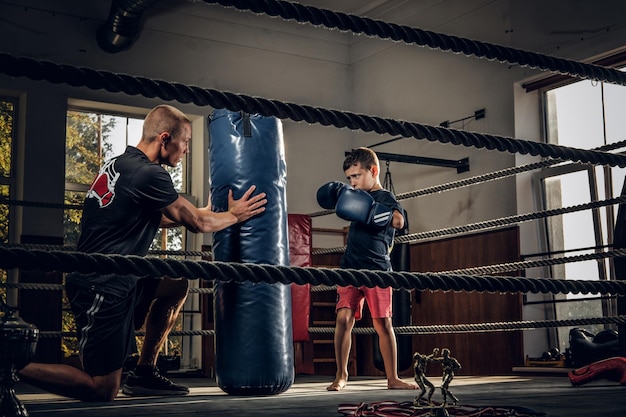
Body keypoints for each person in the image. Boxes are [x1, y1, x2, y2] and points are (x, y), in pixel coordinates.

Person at [17, 104, 267, 402]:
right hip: (102, 286)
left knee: (175, 284)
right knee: (102, 388)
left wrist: (201, 212)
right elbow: (199, 224)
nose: (186, 149)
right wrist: (235, 216)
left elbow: (155, 217)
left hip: (124, 276)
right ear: (165, 138)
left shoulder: (121, 165)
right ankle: (11, 365)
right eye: (185, 141)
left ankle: (145, 371)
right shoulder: (149, 174)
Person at [316, 147, 416, 391]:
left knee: (383, 324)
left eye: (356, 176)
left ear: (373, 171)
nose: (352, 182)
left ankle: (392, 378)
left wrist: (371, 212)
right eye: (349, 178)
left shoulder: (384, 198)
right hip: (350, 267)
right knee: (342, 319)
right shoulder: (354, 196)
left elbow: (399, 221)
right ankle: (341, 375)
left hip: (378, 270)